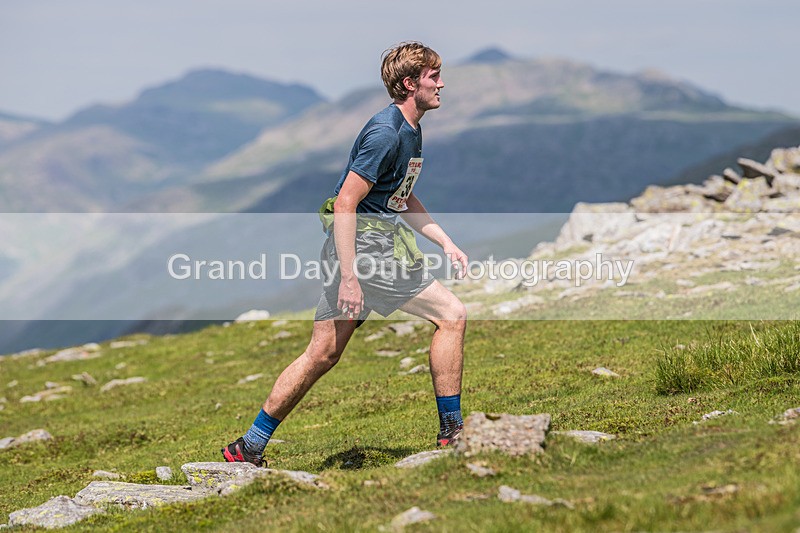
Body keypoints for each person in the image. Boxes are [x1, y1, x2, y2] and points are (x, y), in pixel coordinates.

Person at [222, 42, 468, 467]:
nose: (441, 82)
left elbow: (401, 197)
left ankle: (248, 447)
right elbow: (344, 204)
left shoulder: (410, 128)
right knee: (452, 315)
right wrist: (352, 276)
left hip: (358, 253)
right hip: (367, 253)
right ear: (410, 84)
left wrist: (444, 241)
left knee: (322, 354)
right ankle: (453, 433)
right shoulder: (387, 132)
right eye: (433, 76)